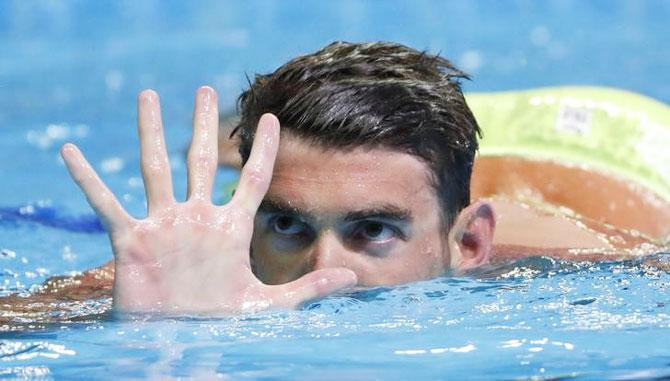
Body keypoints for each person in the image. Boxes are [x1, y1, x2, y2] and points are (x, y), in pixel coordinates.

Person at [3, 42, 668, 319]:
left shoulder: (560, 254)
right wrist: (150, 325)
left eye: (371, 231)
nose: (323, 272)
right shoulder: (213, 251)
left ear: (468, 245)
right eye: (288, 224)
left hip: (606, 145)